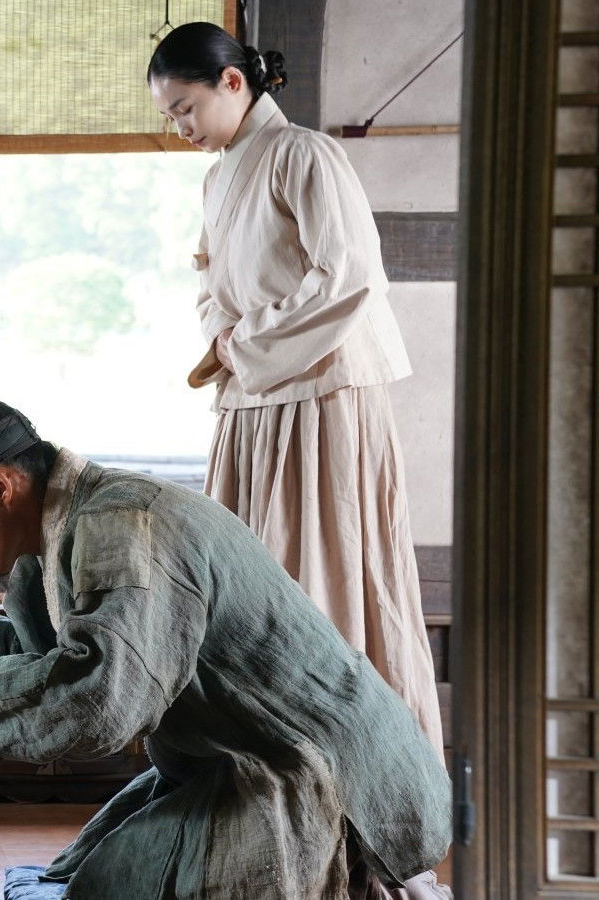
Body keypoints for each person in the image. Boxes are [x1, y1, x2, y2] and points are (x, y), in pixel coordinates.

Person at [0, 388, 450, 899]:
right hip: (233, 755)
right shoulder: (64, 527)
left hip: (308, 769)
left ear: (0, 486)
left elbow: (100, 691)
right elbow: (45, 641)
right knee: (94, 870)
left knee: (120, 885)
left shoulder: (123, 525)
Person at [146, 22, 444, 757]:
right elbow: (215, 289)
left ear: (232, 83)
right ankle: (265, 766)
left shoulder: (304, 154)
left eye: (186, 108)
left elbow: (347, 276)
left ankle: (354, 764)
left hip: (319, 393)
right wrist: (227, 340)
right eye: (171, 116)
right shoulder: (219, 176)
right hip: (251, 396)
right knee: (248, 579)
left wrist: (244, 343)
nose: (181, 128)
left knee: (323, 573)